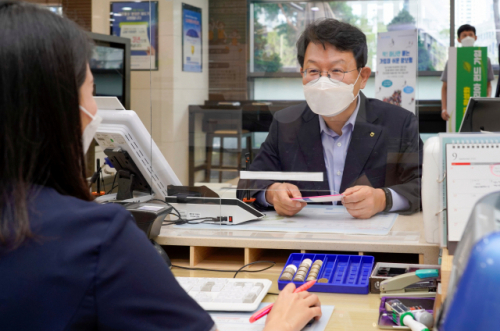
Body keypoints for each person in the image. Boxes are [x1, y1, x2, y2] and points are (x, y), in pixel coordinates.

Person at [0, 2, 321, 330]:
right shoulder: (98, 239)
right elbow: (252, 183)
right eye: (92, 90)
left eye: (336, 70)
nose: (97, 108)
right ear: (56, 107)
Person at [237, 19, 422, 219]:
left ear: (363, 77)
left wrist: (382, 199)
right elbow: (248, 185)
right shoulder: (286, 123)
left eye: (337, 71)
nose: (323, 82)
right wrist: (272, 193)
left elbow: (422, 185)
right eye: (314, 71)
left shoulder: (397, 123)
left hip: (375, 245)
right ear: (302, 74)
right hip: (306, 244)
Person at [441, 24, 495, 121]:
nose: (468, 37)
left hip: (479, 109)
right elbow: (445, 87)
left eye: (470, 34)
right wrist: (444, 109)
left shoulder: (484, 59)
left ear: (475, 37)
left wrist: (487, 100)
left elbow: (488, 85)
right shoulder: (452, 60)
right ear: (459, 39)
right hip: (456, 108)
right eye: (464, 35)